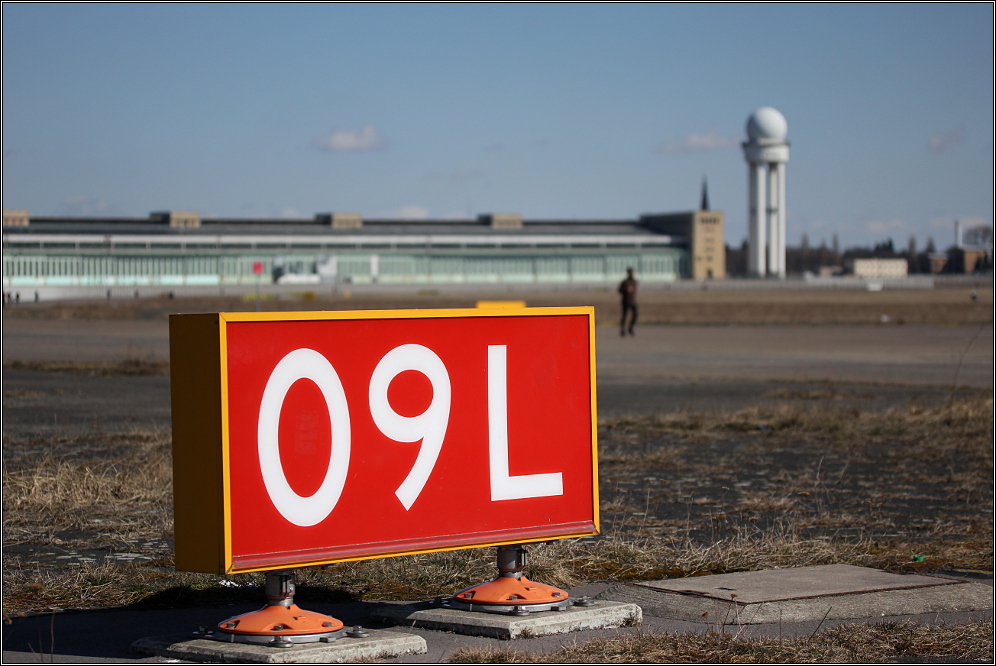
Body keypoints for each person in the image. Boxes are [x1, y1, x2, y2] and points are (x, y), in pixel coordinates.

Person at [618, 267, 637, 336]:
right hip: (626, 301)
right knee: (624, 316)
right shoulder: (625, 282)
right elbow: (620, 290)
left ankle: (630, 328)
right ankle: (622, 329)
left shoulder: (634, 282)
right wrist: (626, 290)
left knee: (635, 315)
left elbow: (635, 289)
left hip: (633, 301)